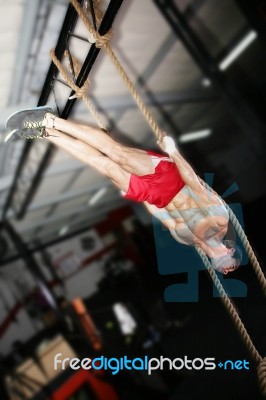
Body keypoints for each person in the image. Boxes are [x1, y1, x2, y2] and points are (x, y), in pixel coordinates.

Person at [4, 106, 242, 274]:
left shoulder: (186, 239)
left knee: (106, 166)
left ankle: (48, 133)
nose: (223, 266)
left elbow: (160, 214)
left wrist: (137, 191)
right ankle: (50, 119)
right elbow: (194, 182)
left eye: (222, 267)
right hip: (172, 179)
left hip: (155, 196)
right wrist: (173, 151)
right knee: (116, 153)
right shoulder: (220, 218)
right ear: (228, 249)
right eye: (227, 262)